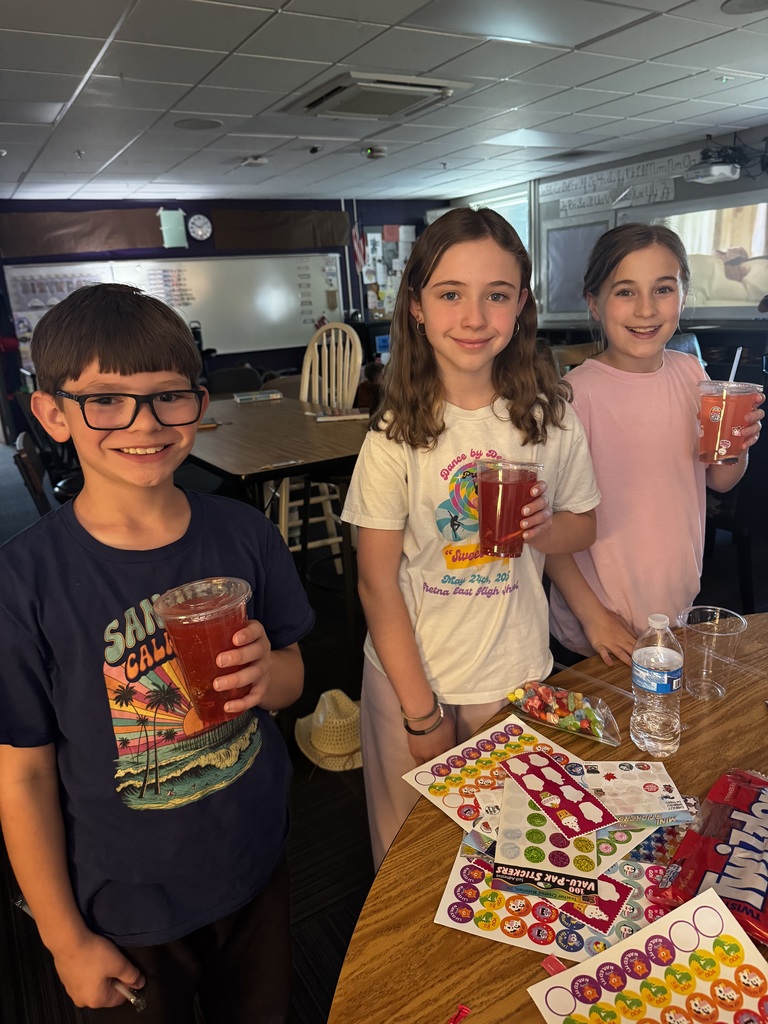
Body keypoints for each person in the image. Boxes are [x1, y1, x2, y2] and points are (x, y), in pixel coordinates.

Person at [0, 284, 315, 1023]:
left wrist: (270, 675)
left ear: (198, 405)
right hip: (125, 901)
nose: (144, 423)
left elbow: (296, 676)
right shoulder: (24, 582)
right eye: (105, 400)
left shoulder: (245, 535)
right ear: (52, 413)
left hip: (254, 860)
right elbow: (23, 775)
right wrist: (62, 938)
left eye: (168, 396)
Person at [341, 208, 600, 869]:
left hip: (511, 671)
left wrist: (543, 527)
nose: (474, 317)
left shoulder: (550, 420)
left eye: (497, 295)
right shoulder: (395, 433)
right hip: (411, 679)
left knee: (511, 851)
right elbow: (376, 582)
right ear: (418, 307)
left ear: (521, 307)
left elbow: (582, 525)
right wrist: (423, 713)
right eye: (451, 293)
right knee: (409, 860)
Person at [547, 223, 764, 667]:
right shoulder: (573, 397)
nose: (646, 309)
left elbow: (720, 480)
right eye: (625, 291)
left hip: (674, 613)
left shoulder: (692, 376)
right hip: (599, 632)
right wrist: (594, 618)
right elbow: (545, 531)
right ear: (594, 302)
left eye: (663, 289)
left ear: (683, 295)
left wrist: (737, 445)